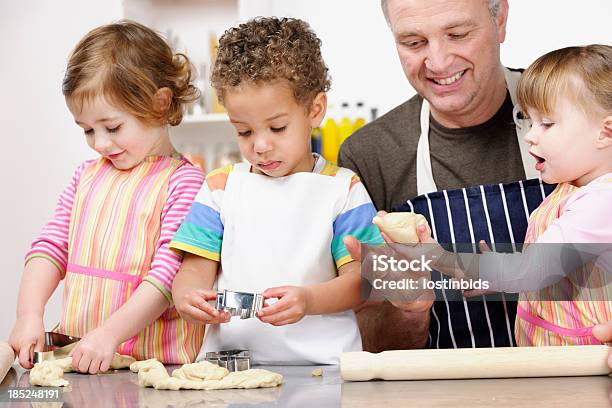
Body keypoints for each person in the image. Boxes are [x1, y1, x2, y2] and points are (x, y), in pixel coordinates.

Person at [169, 17, 384, 365]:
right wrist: (187, 297)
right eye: (244, 132)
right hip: (230, 369)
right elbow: (195, 269)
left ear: (315, 110)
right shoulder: (220, 189)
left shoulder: (343, 190)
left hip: (325, 368)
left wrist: (308, 301)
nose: (261, 146)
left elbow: (361, 281)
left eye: (277, 127)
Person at [339, 0, 547, 351]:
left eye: (458, 34)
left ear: (500, 20)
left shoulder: (580, 116)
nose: (437, 62)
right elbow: (372, 342)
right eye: (413, 42)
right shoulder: (370, 156)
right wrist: (409, 309)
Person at [378, 45, 612, 346]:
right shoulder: (573, 186)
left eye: (547, 124)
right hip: (554, 362)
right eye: (530, 121)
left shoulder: (601, 204)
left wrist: (441, 259)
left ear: (605, 133)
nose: (530, 134)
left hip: (583, 367)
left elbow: (534, 270)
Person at [8, 21, 205, 373]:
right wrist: (29, 314)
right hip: (84, 360)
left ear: (159, 104)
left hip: (153, 368)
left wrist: (110, 335)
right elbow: (49, 248)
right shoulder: (85, 177)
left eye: (112, 127)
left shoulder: (184, 184)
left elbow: (166, 279)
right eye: (87, 130)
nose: (100, 143)